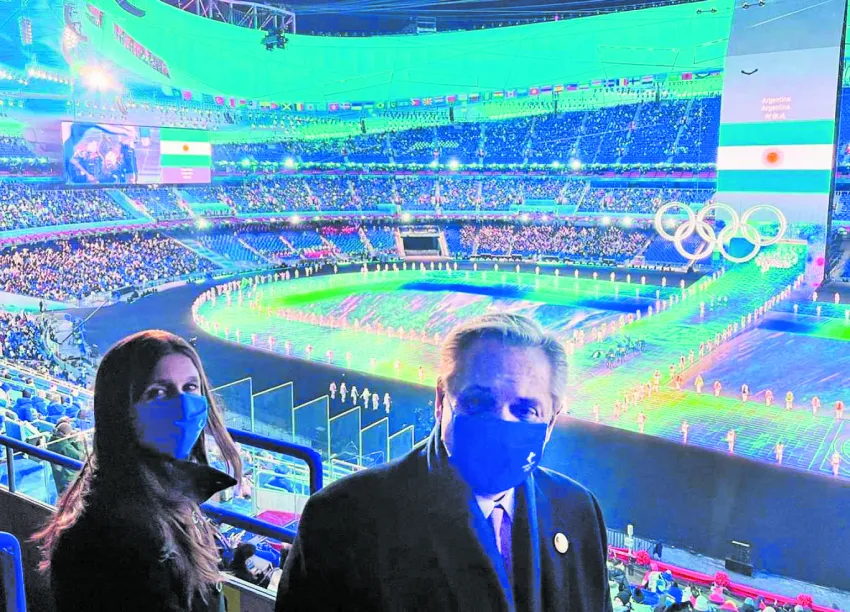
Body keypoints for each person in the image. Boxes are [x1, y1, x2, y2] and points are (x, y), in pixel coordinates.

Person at [275, 313, 612, 611]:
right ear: (440, 400)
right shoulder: (342, 518)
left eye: (525, 410)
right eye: (478, 401)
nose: (500, 423)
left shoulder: (578, 511)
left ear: (550, 422)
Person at [34, 330, 242, 612]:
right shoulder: (118, 535)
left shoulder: (161, 493)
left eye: (191, 387)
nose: (183, 405)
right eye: (158, 392)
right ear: (121, 411)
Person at [48, 420, 86, 495]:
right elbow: (80, 457)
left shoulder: (52, 439)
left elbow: (66, 443)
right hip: (66, 479)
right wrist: (79, 442)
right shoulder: (63, 446)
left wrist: (71, 438)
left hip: (57, 476)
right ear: (66, 435)